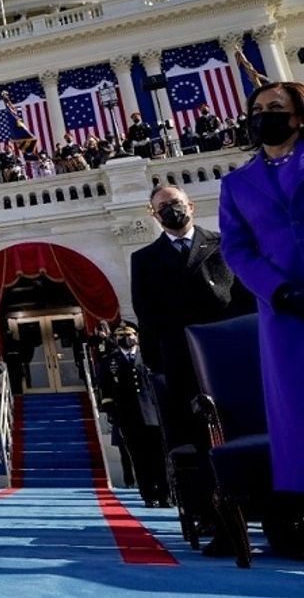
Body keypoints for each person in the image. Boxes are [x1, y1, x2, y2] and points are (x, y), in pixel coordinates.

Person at [219, 81, 304, 498]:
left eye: (274, 107)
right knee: (298, 410)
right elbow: (236, 249)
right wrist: (279, 290)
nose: (262, 115)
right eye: (256, 110)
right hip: (286, 311)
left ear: (297, 115)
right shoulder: (236, 184)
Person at [130, 185, 255, 432]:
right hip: (182, 359)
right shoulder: (144, 258)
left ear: (191, 206)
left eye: (175, 202)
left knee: (244, 426)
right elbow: (145, 313)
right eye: (163, 207)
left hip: (229, 350)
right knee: (197, 434)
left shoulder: (223, 243)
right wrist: (156, 362)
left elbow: (245, 298)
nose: (171, 210)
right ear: (154, 215)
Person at [97, 323, 170, 508]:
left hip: (153, 414)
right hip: (128, 417)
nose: (126, 339)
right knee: (139, 458)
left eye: (129, 335)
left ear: (136, 336)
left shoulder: (148, 356)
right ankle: (148, 495)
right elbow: (106, 390)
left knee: (159, 457)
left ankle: (165, 495)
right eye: (121, 336)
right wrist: (112, 413)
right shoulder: (109, 361)